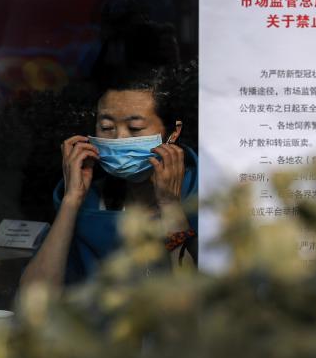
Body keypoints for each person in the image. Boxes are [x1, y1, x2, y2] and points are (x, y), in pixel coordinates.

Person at [20, 63, 198, 290]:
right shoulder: (93, 200)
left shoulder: (203, 196)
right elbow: (33, 301)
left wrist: (171, 206)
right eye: (106, 127)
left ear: (174, 132)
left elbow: (194, 302)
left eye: (134, 128)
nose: (119, 138)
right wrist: (71, 201)